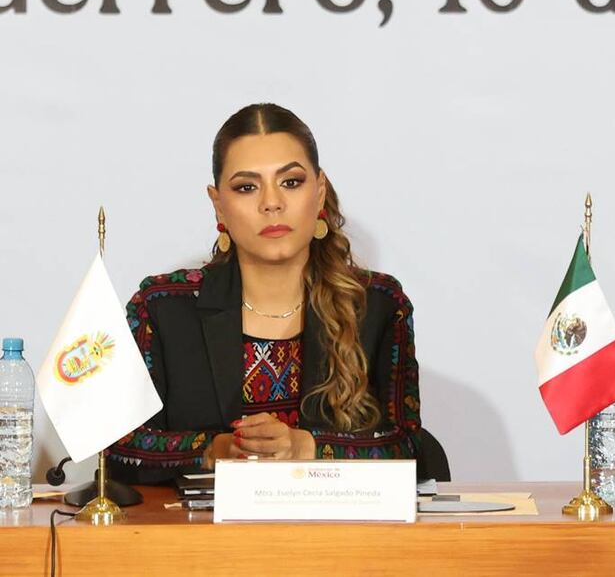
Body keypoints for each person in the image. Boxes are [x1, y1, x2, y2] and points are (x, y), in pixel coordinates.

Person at [107, 104, 421, 483]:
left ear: (319, 192)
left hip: (335, 538)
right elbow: (117, 448)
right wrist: (214, 450)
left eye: (290, 182)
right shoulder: (161, 307)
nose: (271, 203)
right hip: (200, 538)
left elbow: (409, 448)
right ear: (218, 203)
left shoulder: (378, 305)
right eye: (246, 187)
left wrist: (305, 448)